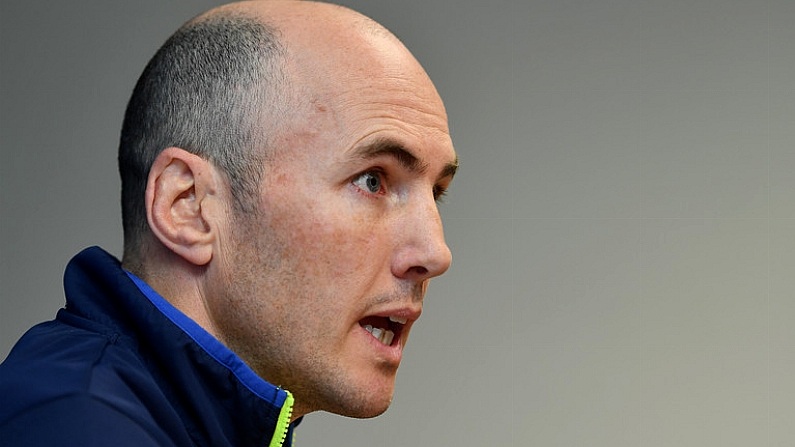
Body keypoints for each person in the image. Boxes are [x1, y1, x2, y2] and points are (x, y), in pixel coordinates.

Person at [0, 1, 458, 445]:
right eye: (372, 180)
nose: (436, 254)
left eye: (436, 192)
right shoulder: (77, 426)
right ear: (189, 207)